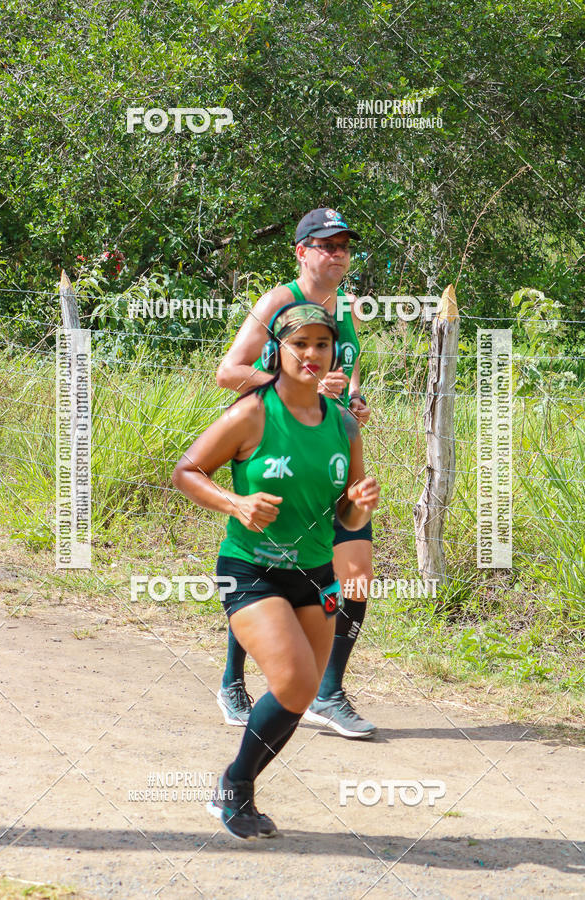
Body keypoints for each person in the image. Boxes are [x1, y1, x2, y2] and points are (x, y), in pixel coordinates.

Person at [172, 302, 379, 839]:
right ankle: (234, 788)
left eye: (322, 345)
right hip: (249, 569)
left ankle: (235, 790)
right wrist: (234, 503)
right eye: (299, 344)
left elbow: (346, 514)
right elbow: (187, 471)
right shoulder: (252, 413)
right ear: (278, 351)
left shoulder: (343, 424)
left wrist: (360, 504)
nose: (311, 355)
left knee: (302, 693)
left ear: (335, 352)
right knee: (293, 679)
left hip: (315, 573)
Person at [215, 207, 376, 738]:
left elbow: (344, 375)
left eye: (343, 246)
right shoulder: (279, 301)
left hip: (330, 451)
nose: (336, 254)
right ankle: (233, 682)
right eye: (325, 245)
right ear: (301, 252)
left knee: (354, 579)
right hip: (275, 445)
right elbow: (228, 372)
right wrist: (296, 384)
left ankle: (327, 693)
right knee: (273, 572)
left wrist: (353, 398)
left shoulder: (346, 306)